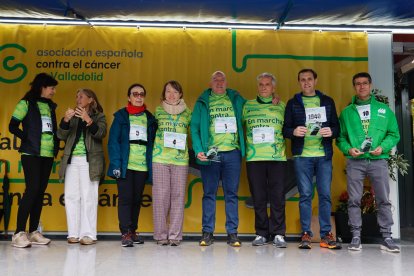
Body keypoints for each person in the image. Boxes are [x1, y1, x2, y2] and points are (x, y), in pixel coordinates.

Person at [336, 72, 401, 253]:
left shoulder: (383, 110)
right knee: (354, 199)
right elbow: (340, 138)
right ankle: (356, 236)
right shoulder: (347, 113)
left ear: (370, 85)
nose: (361, 86)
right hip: (355, 161)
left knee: (382, 199)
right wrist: (348, 149)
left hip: (378, 160)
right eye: (357, 84)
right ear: (354, 87)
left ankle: (386, 237)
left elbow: (394, 134)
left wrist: (383, 147)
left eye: (365, 83)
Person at [283, 68, 341, 249]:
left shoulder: (327, 101)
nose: (306, 82)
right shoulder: (293, 103)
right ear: (299, 82)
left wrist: (331, 131)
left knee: (324, 195)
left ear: (316, 81)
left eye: (309, 79)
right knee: (305, 195)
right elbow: (285, 129)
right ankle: (306, 234)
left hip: (323, 156)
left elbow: (337, 128)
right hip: (302, 156)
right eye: (302, 80)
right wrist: (293, 132)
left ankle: (326, 234)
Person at [191, 71, 246, 247]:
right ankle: (207, 232)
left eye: (222, 80)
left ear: (226, 82)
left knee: (232, 193)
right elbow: (195, 128)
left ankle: (232, 233)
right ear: (210, 83)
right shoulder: (202, 101)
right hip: (212, 153)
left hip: (232, 153)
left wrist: (274, 99)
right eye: (216, 79)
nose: (219, 82)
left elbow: (253, 109)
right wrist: (199, 149)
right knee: (209, 193)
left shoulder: (236, 98)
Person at [8, 73, 59, 248]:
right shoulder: (26, 103)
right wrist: (27, 138)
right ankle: (18, 233)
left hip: (47, 154)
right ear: (42, 87)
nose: (54, 91)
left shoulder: (51, 106)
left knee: (40, 192)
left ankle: (33, 231)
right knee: (32, 189)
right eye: (51, 88)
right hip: (31, 153)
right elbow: (12, 126)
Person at [107, 83, 157, 247]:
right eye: (135, 94)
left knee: (136, 200)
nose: (138, 97)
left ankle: (133, 231)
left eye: (141, 94)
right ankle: (125, 233)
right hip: (125, 166)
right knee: (126, 199)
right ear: (129, 97)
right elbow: (113, 142)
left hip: (142, 167)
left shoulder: (149, 118)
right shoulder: (121, 116)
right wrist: (115, 164)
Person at [242, 73, 288, 247]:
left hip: (277, 158)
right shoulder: (248, 106)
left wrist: (277, 99)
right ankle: (261, 233)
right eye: (261, 84)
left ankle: (278, 233)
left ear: (273, 87)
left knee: (277, 197)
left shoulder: (281, 105)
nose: (263, 87)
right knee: (259, 197)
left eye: (267, 84)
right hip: (255, 158)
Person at [57, 88, 107, 245]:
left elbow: (100, 134)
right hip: (72, 161)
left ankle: (88, 234)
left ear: (91, 99)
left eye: (81, 96)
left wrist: (88, 119)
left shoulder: (99, 115)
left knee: (89, 197)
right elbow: (60, 136)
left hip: (89, 161)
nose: (78, 99)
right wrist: (65, 120)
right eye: (76, 96)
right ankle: (73, 233)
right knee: (71, 197)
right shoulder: (72, 116)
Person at [152, 80, 192, 246]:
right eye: (168, 91)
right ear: (164, 94)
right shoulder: (158, 111)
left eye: (175, 92)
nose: (172, 95)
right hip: (160, 159)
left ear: (180, 94)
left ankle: (175, 236)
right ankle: (161, 236)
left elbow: (196, 130)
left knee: (177, 197)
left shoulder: (187, 113)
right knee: (161, 198)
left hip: (180, 160)